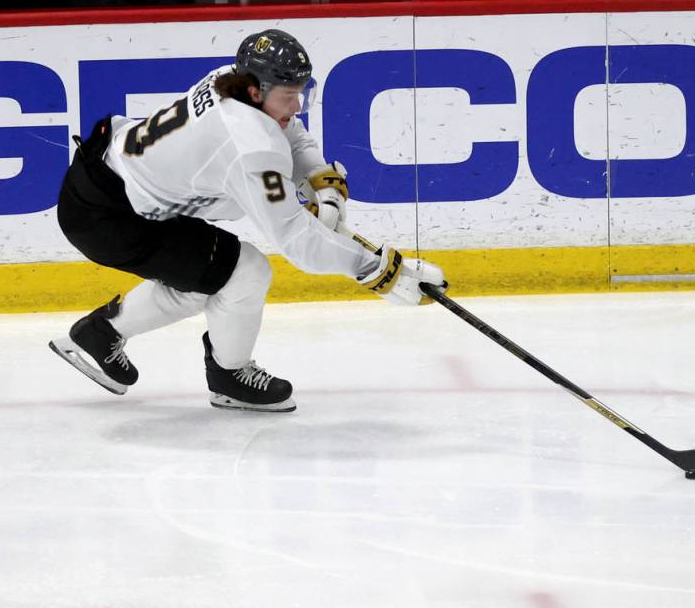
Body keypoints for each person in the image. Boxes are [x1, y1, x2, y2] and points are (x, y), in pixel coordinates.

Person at [50, 28, 446, 413]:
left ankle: (99, 335)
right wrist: (376, 271)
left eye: (301, 93)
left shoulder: (232, 80)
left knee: (205, 278)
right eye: (290, 96)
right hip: (108, 216)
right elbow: (298, 241)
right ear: (257, 91)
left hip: (109, 181)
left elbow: (290, 134)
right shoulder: (250, 147)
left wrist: (321, 181)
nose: (297, 106)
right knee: (245, 272)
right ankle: (229, 376)